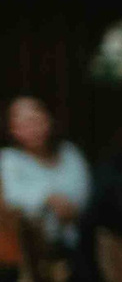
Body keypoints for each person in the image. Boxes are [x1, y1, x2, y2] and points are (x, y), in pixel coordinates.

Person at [4, 96, 90, 248]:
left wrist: (69, 210)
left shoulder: (69, 153)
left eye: (36, 120)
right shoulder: (9, 160)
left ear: (48, 120)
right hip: (33, 248)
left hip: (79, 240)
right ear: (13, 130)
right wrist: (47, 198)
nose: (32, 129)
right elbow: (12, 196)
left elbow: (85, 197)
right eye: (24, 124)